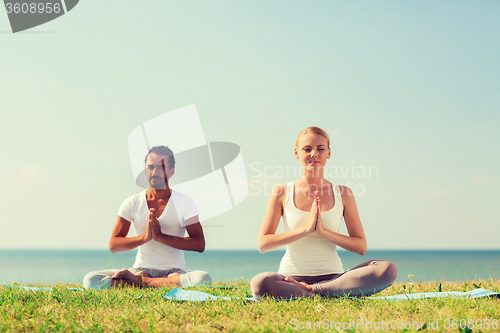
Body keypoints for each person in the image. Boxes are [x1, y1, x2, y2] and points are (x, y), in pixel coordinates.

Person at [250, 127, 397, 299]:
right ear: (297, 153)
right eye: (307, 149)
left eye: (320, 149)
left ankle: (314, 291)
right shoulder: (282, 192)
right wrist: (305, 230)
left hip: (334, 278)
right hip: (290, 279)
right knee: (260, 283)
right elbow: (263, 243)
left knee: (387, 269)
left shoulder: (343, 193)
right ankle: (327, 294)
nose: (314, 154)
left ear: (329, 153)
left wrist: (323, 232)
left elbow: (360, 247)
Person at [83, 146, 212, 289]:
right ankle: (153, 282)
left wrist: (161, 237)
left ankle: (141, 283)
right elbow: (114, 244)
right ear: (145, 170)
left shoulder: (184, 202)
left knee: (203, 279)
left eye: (161, 167)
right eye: (150, 167)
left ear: (171, 172)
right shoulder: (132, 202)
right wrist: (145, 237)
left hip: (174, 273)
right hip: (140, 271)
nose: (154, 172)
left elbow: (199, 244)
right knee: (91, 280)